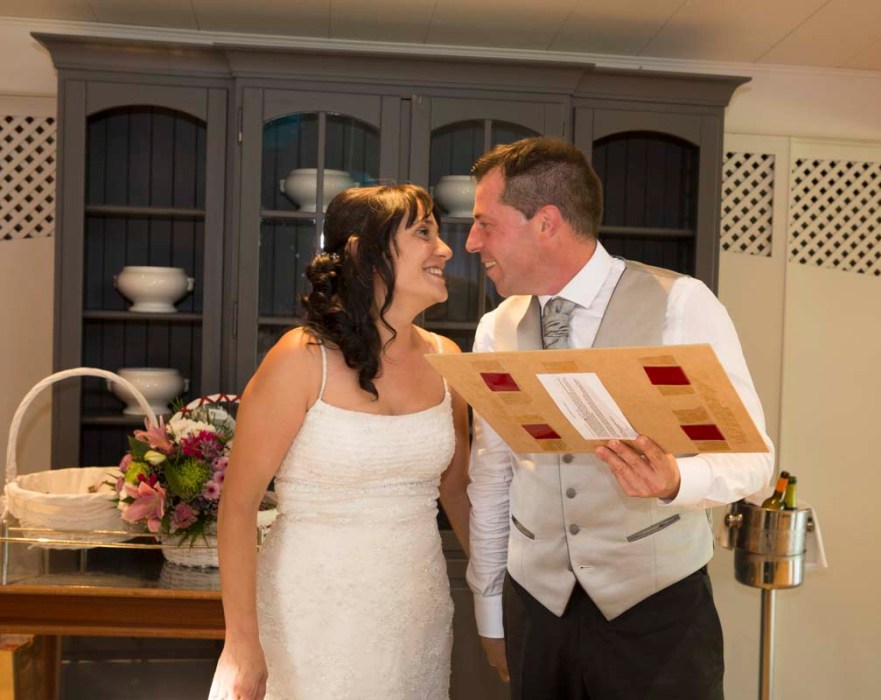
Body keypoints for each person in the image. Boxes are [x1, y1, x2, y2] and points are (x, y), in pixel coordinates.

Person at [464, 137, 775, 700]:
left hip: (656, 616)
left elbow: (754, 462)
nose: (471, 242)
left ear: (546, 223)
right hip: (536, 610)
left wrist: (677, 479)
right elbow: (491, 479)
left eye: (486, 224)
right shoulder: (495, 329)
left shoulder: (681, 304)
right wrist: (490, 608)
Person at [208, 184, 471, 700]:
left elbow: (459, 492)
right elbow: (237, 506)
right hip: (307, 619)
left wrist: (497, 605)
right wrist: (241, 644)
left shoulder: (448, 359)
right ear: (361, 252)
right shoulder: (301, 358)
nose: (444, 249)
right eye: (423, 233)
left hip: (415, 617)